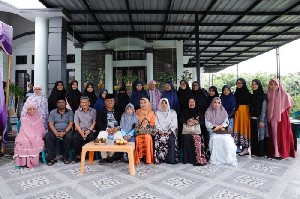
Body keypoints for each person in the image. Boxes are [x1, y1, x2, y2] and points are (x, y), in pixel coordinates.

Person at [267, 78, 295, 159]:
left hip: (282, 118)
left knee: (281, 135)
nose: (273, 86)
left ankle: (281, 153)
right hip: (272, 118)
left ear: (279, 85)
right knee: (274, 135)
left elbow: (288, 106)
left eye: (275, 84)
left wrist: (280, 111)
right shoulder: (269, 94)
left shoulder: (284, 94)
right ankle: (274, 152)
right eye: (271, 84)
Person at [205, 97, 237, 166]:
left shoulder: (223, 111)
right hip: (213, 131)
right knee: (215, 138)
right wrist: (214, 127)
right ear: (212, 103)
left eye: (218, 103)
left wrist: (220, 126)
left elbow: (226, 122)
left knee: (227, 139)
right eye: (215, 102)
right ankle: (215, 158)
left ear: (220, 104)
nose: (217, 104)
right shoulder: (208, 111)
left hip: (222, 131)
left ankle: (227, 158)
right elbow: (207, 124)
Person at [14, 103, 45, 168]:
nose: (32, 111)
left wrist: (36, 135)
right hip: (24, 134)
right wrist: (31, 137)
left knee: (37, 140)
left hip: (36, 134)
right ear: (27, 110)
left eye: (34, 109)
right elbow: (26, 129)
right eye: (30, 109)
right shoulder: (25, 118)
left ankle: (32, 161)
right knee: (24, 141)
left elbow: (40, 129)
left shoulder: (38, 117)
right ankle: (23, 162)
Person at [45, 96, 74, 165]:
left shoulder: (70, 112)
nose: (61, 104)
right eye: (59, 103)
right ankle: (51, 158)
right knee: (48, 136)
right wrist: (55, 132)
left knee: (69, 137)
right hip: (55, 131)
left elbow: (70, 124)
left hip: (66, 131)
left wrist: (64, 132)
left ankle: (65, 157)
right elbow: (51, 124)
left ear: (66, 103)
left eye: (62, 102)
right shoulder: (53, 112)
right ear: (57, 104)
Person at [180, 97, 208, 166]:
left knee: (198, 138)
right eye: (190, 102)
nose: (191, 104)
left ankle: (197, 158)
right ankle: (187, 159)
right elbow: (181, 120)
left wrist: (196, 121)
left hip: (196, 131)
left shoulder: (198, 111)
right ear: (187, 103)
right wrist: (187, 121)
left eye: (193, 102)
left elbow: (202, 121)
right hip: (187, 131)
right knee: (186, 137)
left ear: (195, 103)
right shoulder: (184, 111)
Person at [96, 94, 123, 163]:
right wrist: (107, 129)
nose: (110, 102)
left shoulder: (119, 110)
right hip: (105, 130)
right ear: (105, 102)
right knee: (100, 138)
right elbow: (98, 124)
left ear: (114, 102)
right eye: (108, 101)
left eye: (112, 101)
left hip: (116, 130)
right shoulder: (100, 111)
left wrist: (117, 128)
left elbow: (123, 122)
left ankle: (111, 156)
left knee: (119, 139)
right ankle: (104, 157)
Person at [154, 98, 179, 164]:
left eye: (165, 103)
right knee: (158, 138)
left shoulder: (173, 112)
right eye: (162, 103)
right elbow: (156, 123)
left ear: (168, 104)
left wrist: (169, 131)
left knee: (170, 138)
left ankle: (170, 159)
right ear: (159, 104)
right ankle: (160, 159)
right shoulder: (157, 113)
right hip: (160, 131)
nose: (164, 105)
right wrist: (160, 131)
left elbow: (174, 123)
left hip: (170, 131)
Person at [72, 96, 97, 162]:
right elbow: (76, 123)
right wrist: (81, 132)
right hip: (80, 130)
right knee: (75, 137)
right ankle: (77, 155)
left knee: (91, 137)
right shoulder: (77, 112)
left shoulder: (93, 111)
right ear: (80, 103)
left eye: (86, 102)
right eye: (82, 102)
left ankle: (90, 154)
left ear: (89, 103)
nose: (84, 104)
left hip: (90, 130)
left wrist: (88, 131)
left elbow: (94, 122)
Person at [250, 79, 269, 157]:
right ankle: (254, 152)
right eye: (252, 84)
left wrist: (261, 120)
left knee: (261, 135)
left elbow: (264, 109)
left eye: (255, 84)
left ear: (259, 85)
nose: (254, 86)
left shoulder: (263, 95)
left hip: (260, 118)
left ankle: (261, 153)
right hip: (252, 118)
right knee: (254, 136)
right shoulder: (252, 95)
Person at [135, 98, 156, 164]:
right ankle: (139, 157)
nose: (143, 104)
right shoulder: (137, 111)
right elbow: (135, 122)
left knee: (147, 137)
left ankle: (147, 158)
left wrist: (147, 123)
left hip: (148, 131)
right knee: (137, 138)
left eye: (144, 103)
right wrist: (141, 124)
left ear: (148, 103)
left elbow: (153, 124)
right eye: (141, 103)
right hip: (139, 131)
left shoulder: (151, 112)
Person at [233, 78, 251, 156]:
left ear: (243, 84)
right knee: (238, 129)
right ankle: (241, 149)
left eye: (240, 83)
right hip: (238, 113)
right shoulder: (236, 93)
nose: (239, 84)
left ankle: (246, 149)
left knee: (244, 129)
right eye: (237, 83)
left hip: (245, 113)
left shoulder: (247, 93)